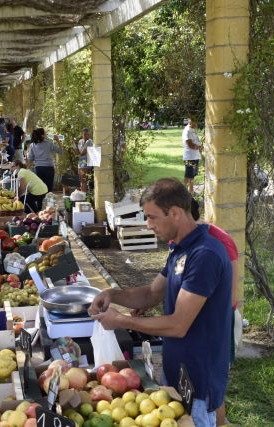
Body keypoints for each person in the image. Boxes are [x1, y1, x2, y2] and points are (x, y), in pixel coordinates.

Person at [88, 178, 232, 427]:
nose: (148, 224)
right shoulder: (181, 249)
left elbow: (178, 325)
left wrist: (122, 320)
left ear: (175, 213)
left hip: (199, 377)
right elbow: (152, 293)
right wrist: (112, 294)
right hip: (177, 367)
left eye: (152, 217)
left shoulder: (204, 255)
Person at [190, 199, 239, 426]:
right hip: (198, 325)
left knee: (213, 387)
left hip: (218, 322)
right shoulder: (182, 240)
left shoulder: (217, 243)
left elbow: (230, 293)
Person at [27, 128, 63, 193]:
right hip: (49, 169)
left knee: (40, 189)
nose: (46, 134)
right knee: (49, 190)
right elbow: (60, 151)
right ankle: (48, 202)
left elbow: (30, 159)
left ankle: (40, 203)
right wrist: (57, 140)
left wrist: (28, 169)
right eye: (45, 133)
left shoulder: (32, 145)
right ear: (42, 135)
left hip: (38, 169)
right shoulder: (49, 144)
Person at [182, 118, 202, 194]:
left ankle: (191, 190)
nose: (197, 124)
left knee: (192, 175)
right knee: (188, 175)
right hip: (190, 156)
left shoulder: (192, 130)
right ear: (190, 122)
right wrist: (199, 147)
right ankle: (183, 192)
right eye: (195, 122)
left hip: (195, 156)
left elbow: (196, 142)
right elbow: (190, 144)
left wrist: (199, 147)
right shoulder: (187, 131)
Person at [77, 127, 93, 193]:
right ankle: (83, 195)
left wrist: (80, 152)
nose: (86, 136)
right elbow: (79, 152)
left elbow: (82, 152)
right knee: (81, 180)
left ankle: (84, 196)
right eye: (85, 134)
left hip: (86, 164)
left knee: (84, 180)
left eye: (87, 134)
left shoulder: (89, 141)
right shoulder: (80, 141)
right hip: (81, 163)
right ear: (82, 134)